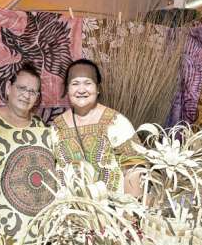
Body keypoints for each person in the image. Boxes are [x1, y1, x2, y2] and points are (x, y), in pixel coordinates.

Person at [0, 63, 55, 245]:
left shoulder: (41, 127)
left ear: (37, 98)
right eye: (22, 88)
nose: (26, 95)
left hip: (35, 230)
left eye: (33, 92)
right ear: (9, 88)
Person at [51, 58, 141, 197]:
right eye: (75, 83)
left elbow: (134, 169)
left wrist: (131, 213)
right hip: (70, 213)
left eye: (88, 83)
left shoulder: (116, 122)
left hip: (112, 213)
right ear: (67, 89)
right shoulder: (57, 126)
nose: (81, 89)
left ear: (98, 88)